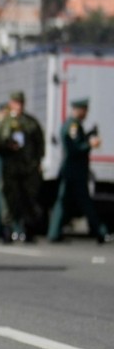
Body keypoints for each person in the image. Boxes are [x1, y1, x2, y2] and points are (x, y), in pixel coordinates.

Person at [47, 98, 111, 244]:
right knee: (83, 203)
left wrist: (88, 136)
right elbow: (74, 148)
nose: (86, 113)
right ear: (79, 110)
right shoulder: (73, 126)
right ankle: (100, 232)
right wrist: (90, 143)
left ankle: (54, 232)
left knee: (65, 202)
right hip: (74, 172)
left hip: (73, 171)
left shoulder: (74, 125)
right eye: (84, 110)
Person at [0, 90, 45, 243]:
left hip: (27, 169)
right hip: (10, 169)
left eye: (21, 103)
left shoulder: (30, 122)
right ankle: (8, 231)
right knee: (10, 201)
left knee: (27, 200)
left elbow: (39, 143)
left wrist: (37, 162)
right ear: (11, 104)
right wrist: (7, 145)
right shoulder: (4, 123)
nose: (18, 106)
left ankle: (26, 231)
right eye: (16, 103)